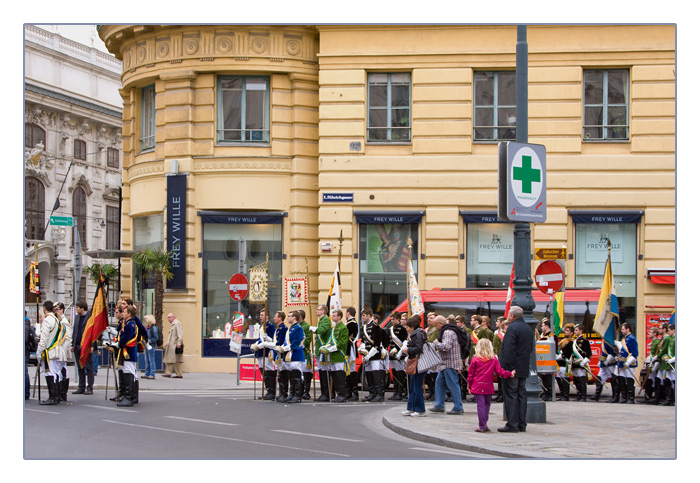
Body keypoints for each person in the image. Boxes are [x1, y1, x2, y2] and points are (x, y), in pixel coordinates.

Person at [467, 338, 516, 432]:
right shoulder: (493, 360)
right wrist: (510, 374)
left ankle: (482, 425)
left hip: (477, 385)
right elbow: (500, 372)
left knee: (480, 405)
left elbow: (470, 375)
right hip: (488, 385)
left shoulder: (475, 360)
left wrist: (470, 386)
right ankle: (484, 423)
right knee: (487, 405)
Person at [497, 305, 533, 433]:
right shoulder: (528, 328)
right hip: (523, 367)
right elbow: (530, 349)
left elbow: (508, 349)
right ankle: (522, 424)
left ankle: (512, 424)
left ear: (512, 316)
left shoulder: (512, 327)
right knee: (521, 395)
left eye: (509, 315)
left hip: (512, 369)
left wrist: (508, 368)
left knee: (511, 395)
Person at [429, 315, 465, 415]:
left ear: (441, 324)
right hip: (445, 364)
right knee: (439, 383)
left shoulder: (448, 332)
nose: (435, 328)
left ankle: (458, 407)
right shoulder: (448, 331)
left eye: (436, 325)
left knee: (453, 385)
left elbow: (446, 346)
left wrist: (436, 343)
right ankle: (439, 405)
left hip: (450, 363)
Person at [36, 301, 64, 405]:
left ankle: (52, 397)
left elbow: (44, 339)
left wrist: (39, 351)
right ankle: (56, 397)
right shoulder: (56, 320)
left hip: (48, 351)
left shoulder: (48, 320)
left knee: (49, 372)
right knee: (55, 373)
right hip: (55, 350)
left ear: (44, 308)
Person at [276, 310, 306, 403]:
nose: (288, 317)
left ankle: (298, 395)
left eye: (290, 316)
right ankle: (292, 394)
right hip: (289, 356)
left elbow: (296, 344)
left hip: (296, 355)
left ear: (294, 317)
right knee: (291, 376)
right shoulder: (291, 328)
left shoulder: (298, 328)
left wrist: (284, 349)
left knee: (296, 375)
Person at [402, 314, 427, 417]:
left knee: (417, 386)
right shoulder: (418, 334)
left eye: (407, 327)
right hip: (416, 362)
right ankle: (411, 407)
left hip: (418, 362)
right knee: (412, 386)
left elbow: (418, 348)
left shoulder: (417, 335)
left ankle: (420, 410)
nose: (406, 328)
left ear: (412, 327)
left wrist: (408, 350)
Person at [322, 309, 349, 403]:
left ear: (339, 317)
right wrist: (325, 347)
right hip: (333, 356)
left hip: (339, 355)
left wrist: (330, 349)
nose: (332, 317)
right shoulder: (334, 328)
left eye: (334, 315)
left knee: (340, 376)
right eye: (332, 315)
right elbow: (330, 341)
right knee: (334, 376)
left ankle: (342, 395)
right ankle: (338, 393)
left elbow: (342, 343)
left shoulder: (343, 328)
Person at [358, 307, 385, 402]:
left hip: (375, 354)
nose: (362, 317)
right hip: (367, 354)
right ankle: (372, 393)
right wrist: (361, 348)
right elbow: (363, 341)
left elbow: (377, 344)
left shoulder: (375, 327)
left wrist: (369, 355)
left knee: (375, 374)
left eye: (364, 315)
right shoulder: (364, 327)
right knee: (369, 374)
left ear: (369, 315)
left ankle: (379, 394)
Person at [115, 306, 139, 406]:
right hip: (130, 352)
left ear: (129, 314)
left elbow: (125, 338)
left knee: (128, 372)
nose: (123, 313)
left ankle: (129, 398)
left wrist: (118, 344)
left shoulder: (129, 325)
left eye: (125, 312)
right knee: (130, 372)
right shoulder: (131, 324)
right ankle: (130, 396)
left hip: (128, 352)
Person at [250, 309, 277, 400]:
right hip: (261, 351)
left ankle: (272, 391)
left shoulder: (270, 326)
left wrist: (262, 343)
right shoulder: (262, 327)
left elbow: (272, 339)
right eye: (260, 315)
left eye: (262, 315)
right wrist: (256, 344)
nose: (260, 317)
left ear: (267, 316)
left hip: (267, 350)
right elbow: (260, 338)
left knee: (268, 370)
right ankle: (268, 390)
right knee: (263, 371)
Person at [71, 300, 96, 394]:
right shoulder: (77, 317)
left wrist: (92, 345)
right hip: (77, 345)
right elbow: (75, 331)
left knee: (88, 366)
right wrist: (72, 344)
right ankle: (81, 386)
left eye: (77, 307)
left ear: (82, 308)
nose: (76, 309)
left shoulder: (90, 317)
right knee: (80, 366)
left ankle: (90, 387)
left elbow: (93, 332)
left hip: (87, 345)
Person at [312, 305, 333, 401]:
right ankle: (324, 393)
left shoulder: (326, 320)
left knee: (325, 371)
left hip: (324, 348)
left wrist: (314, 329)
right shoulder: (321, 320)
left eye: (318, 309)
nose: (316, 311)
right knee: (321, 372)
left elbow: (323, 330)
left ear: (323, 311)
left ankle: (327, 393)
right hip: (319, 349)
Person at [54, 302, 73, 403]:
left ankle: (62, 394)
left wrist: (63, 350)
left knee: (62, 371)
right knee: (59, 371)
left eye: (57, 309)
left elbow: (68, 337)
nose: (56, 311)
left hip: (62, 349)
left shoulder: (64, 322)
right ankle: (60, 393)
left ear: (61, 309)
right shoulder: (58, 321)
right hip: (59, 349)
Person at [615, 321, 639, 404]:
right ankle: (624, 397)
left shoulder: (631, 339)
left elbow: (635, 353)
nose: (621, 331)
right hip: (622, 362)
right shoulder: (624, 339)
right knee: (621, 379)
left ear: (628, 329)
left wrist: (628, 362)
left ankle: (631, 398)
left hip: (629, 363)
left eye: (623, 329)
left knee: (629, 380)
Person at [387, 312, 408, 401]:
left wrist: (399, 352)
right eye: (391, 319)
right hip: (392, 354)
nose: (392, 321)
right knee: (394, 373)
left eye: (393, 319)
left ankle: (400, 392)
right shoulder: (391, 329)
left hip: (399, 355)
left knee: (400, 374)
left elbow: (404, 342)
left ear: (398, 319)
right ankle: (395, 392)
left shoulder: (402, 329)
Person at [571, 324, 592, 401]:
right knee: (576, 380)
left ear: (581, 331)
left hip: (581, 363)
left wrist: (583, 362)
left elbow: (589, 354)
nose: (575, 332)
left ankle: (583, 397)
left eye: (576, 330)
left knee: (582, 380)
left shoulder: (585, 341)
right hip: (575, 363)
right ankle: (579, 395)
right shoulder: (575, 341)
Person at [555, 323, 575, 401]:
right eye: (565, 330)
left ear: (571, 333)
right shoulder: (563, 341)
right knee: (559, 379)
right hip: (560, 364)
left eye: (567, 331)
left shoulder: (571, 342)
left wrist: (558, 357)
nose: (565, 332)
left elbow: (566, 353)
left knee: (565, 379)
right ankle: (562, 393)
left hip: (565, 363)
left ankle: (566, 395)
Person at [344, 307, 360, 400]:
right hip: (348, 348)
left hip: (350, 348)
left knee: (351, 370)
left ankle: (354, 392)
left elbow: (348, 337)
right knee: (348, 370)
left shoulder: (352, 324)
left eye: (346, 313)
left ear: (348, 313)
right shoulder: (350, 323)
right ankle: (349, 391)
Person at [658, 323, 675, 406]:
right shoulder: (670, 339)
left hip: (674, 364)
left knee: (674, 382)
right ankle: (668, 399)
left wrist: (672, 360)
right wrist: (665, 357)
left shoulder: (675, 339)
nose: (668, 332)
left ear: (674, 330)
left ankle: (673, 399)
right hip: (669, 364)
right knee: (668, 380)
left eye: (669, 331)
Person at [298, 309, 314, 400]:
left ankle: (306, 391)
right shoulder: (296, 326)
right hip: (298, 352)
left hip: (304, 351)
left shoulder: (306, 326)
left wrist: (301, 345)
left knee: (306, 372)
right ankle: (300, 390)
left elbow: (308, 339)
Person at [163, 312, 184, 378]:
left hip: (175, 345)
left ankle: (179, 374)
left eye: (169, 317)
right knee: (170, 359)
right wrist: (167, 343)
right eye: (167, 317)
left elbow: (180, 335)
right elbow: (170, 336)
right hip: (171, 345)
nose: (168, 319)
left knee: (177, 360)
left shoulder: (177, 323)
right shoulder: (173, 324)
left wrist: (179, 343)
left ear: (173, 317)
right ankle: (168, 372)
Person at [25, 310, 37, 400]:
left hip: (24, 352)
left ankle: (26, 393)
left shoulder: (24, 325)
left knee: (24, 373)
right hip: (25, 352)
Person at [144, 314, 158, 379]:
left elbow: (156, 337)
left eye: (146, 319)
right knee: (147, 359)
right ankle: (147, 373)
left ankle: (152, 374)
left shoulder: (153, 328)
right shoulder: (148, 327)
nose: (145, 320)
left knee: (151, 359)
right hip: (147, 345)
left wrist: (150, 341)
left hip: (151, 345)